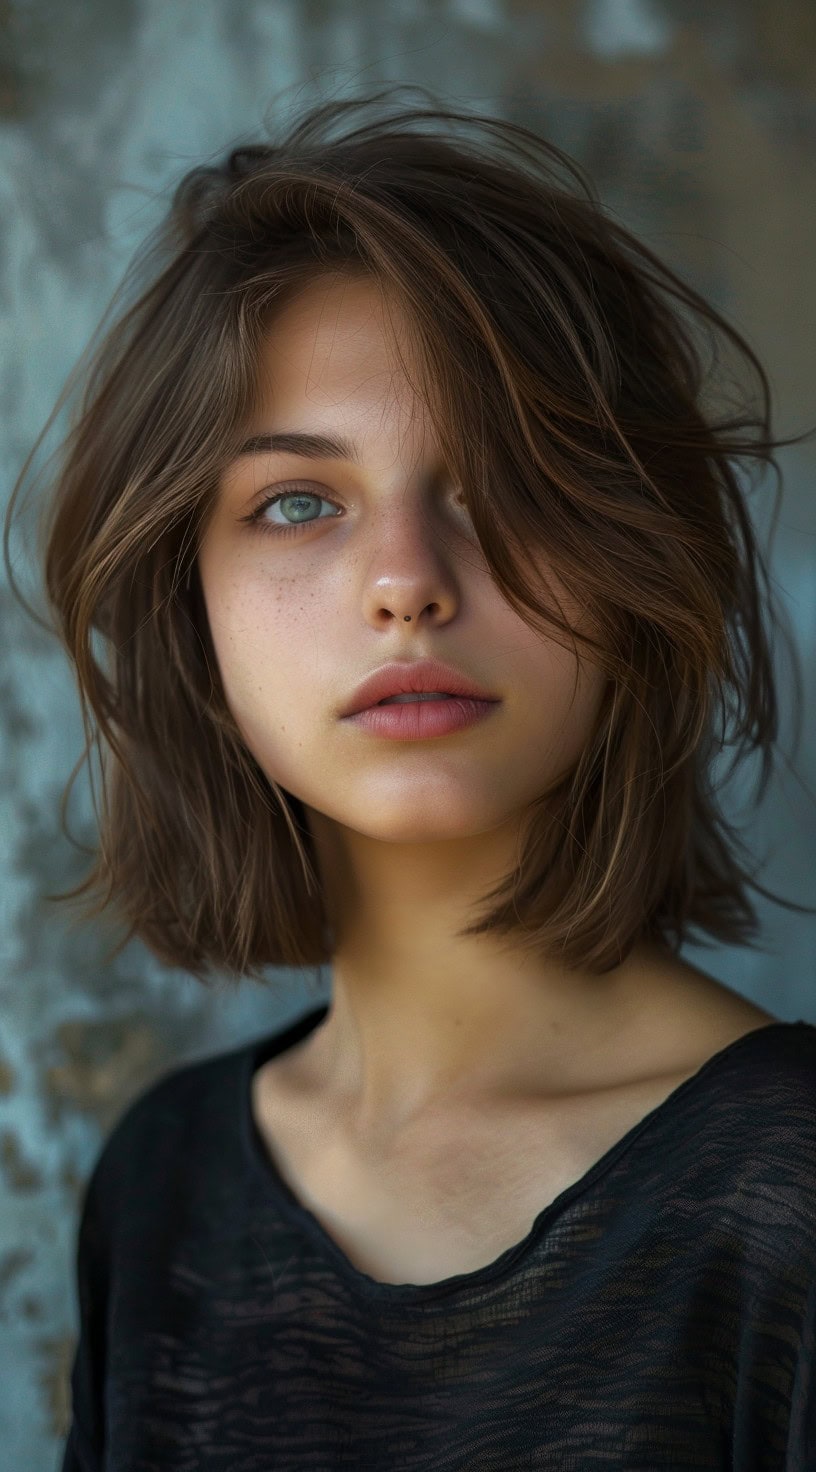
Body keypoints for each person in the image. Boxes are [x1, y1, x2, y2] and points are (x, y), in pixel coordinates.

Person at [8, 85, 815, 1469]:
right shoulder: (163, 1187)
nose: (406, 585)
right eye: (298, 503)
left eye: (506, 478)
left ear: (639, 560)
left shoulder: (790, 1191)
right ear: (187, 604)